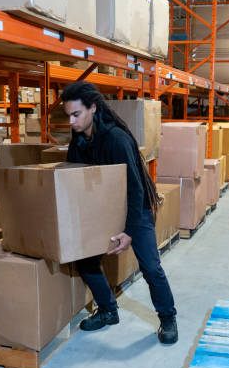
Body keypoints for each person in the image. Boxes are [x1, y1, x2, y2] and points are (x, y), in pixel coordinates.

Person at [61, 81, 178, 345]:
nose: (71, 121)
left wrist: (128, 231)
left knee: (151, 267)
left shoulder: (116, 139)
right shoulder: (78, 142)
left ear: (92, 108)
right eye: (68, 115)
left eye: (76, 114)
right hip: (103, 211)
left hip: (135, 210)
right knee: (86, 261)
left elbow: (136, 190)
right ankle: (108, 310)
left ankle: (168, 317)